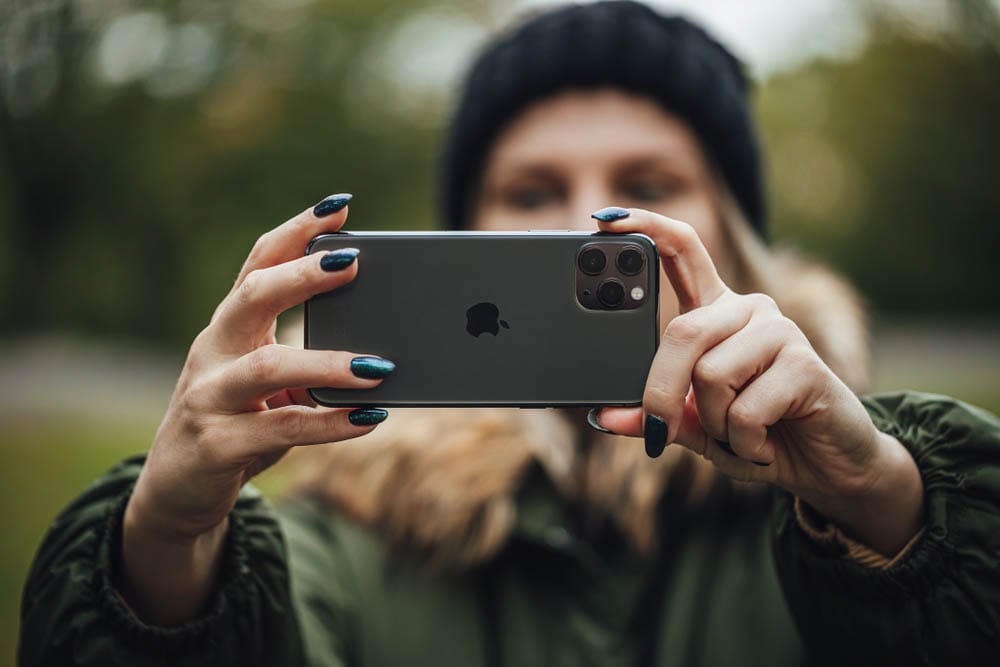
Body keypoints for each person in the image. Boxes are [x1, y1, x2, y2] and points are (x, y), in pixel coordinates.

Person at [18, 2, 1000, 665]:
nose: (586, 219)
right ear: (466, 234)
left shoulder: (844, 493)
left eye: (647, 184)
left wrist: (880, 500)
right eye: (530, 191)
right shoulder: (360, 523)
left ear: (732, 237)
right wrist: (165, 538)